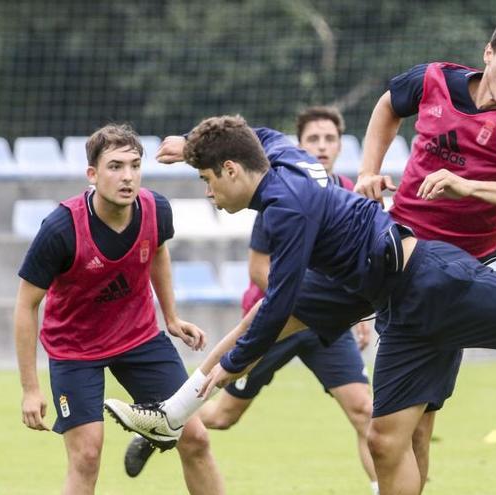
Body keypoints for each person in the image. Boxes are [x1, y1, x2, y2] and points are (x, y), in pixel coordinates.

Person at [103, 114, 496, 495]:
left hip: (431, 283)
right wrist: (188, 140)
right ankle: (172, 414)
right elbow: (255, 132)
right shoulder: (274, 154)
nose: (206, 190)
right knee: (388, 438)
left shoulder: (285, 210)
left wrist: (229, 365)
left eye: (206, 178)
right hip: (386, 295)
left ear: (231, 171)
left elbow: (278, 307)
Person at [354, 8, 496, 487]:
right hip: (398, 246)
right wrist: (369, 170)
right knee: (410, 422)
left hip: (454, 271)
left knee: (408, 425)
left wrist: (471, 187)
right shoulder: (433, 80)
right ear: (488, 54)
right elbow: (388, 105)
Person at [124, 107, 379, 494]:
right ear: (299, 144)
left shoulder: (336, 187)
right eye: (313, 139)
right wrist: (298, 297)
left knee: (364, 411)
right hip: (275, 319)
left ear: (341, 144)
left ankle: (383, 486)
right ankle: (175, 420)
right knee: (224, 416)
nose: (322, 147)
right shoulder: (274, 195)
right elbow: (261, 270)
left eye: (329, 139)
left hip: (318, 314)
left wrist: (347, 304)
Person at [13, 124, 225, 495]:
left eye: (134, 165)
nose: (127, 176)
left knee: (195, 439)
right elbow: (26, 304)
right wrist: (30, 389)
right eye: (114, 167)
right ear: (92, 175)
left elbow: (158, 250)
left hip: (139, 338)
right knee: (87, 456)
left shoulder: (156, 209)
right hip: (74, 350)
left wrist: (171, 317)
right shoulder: (61, 228)